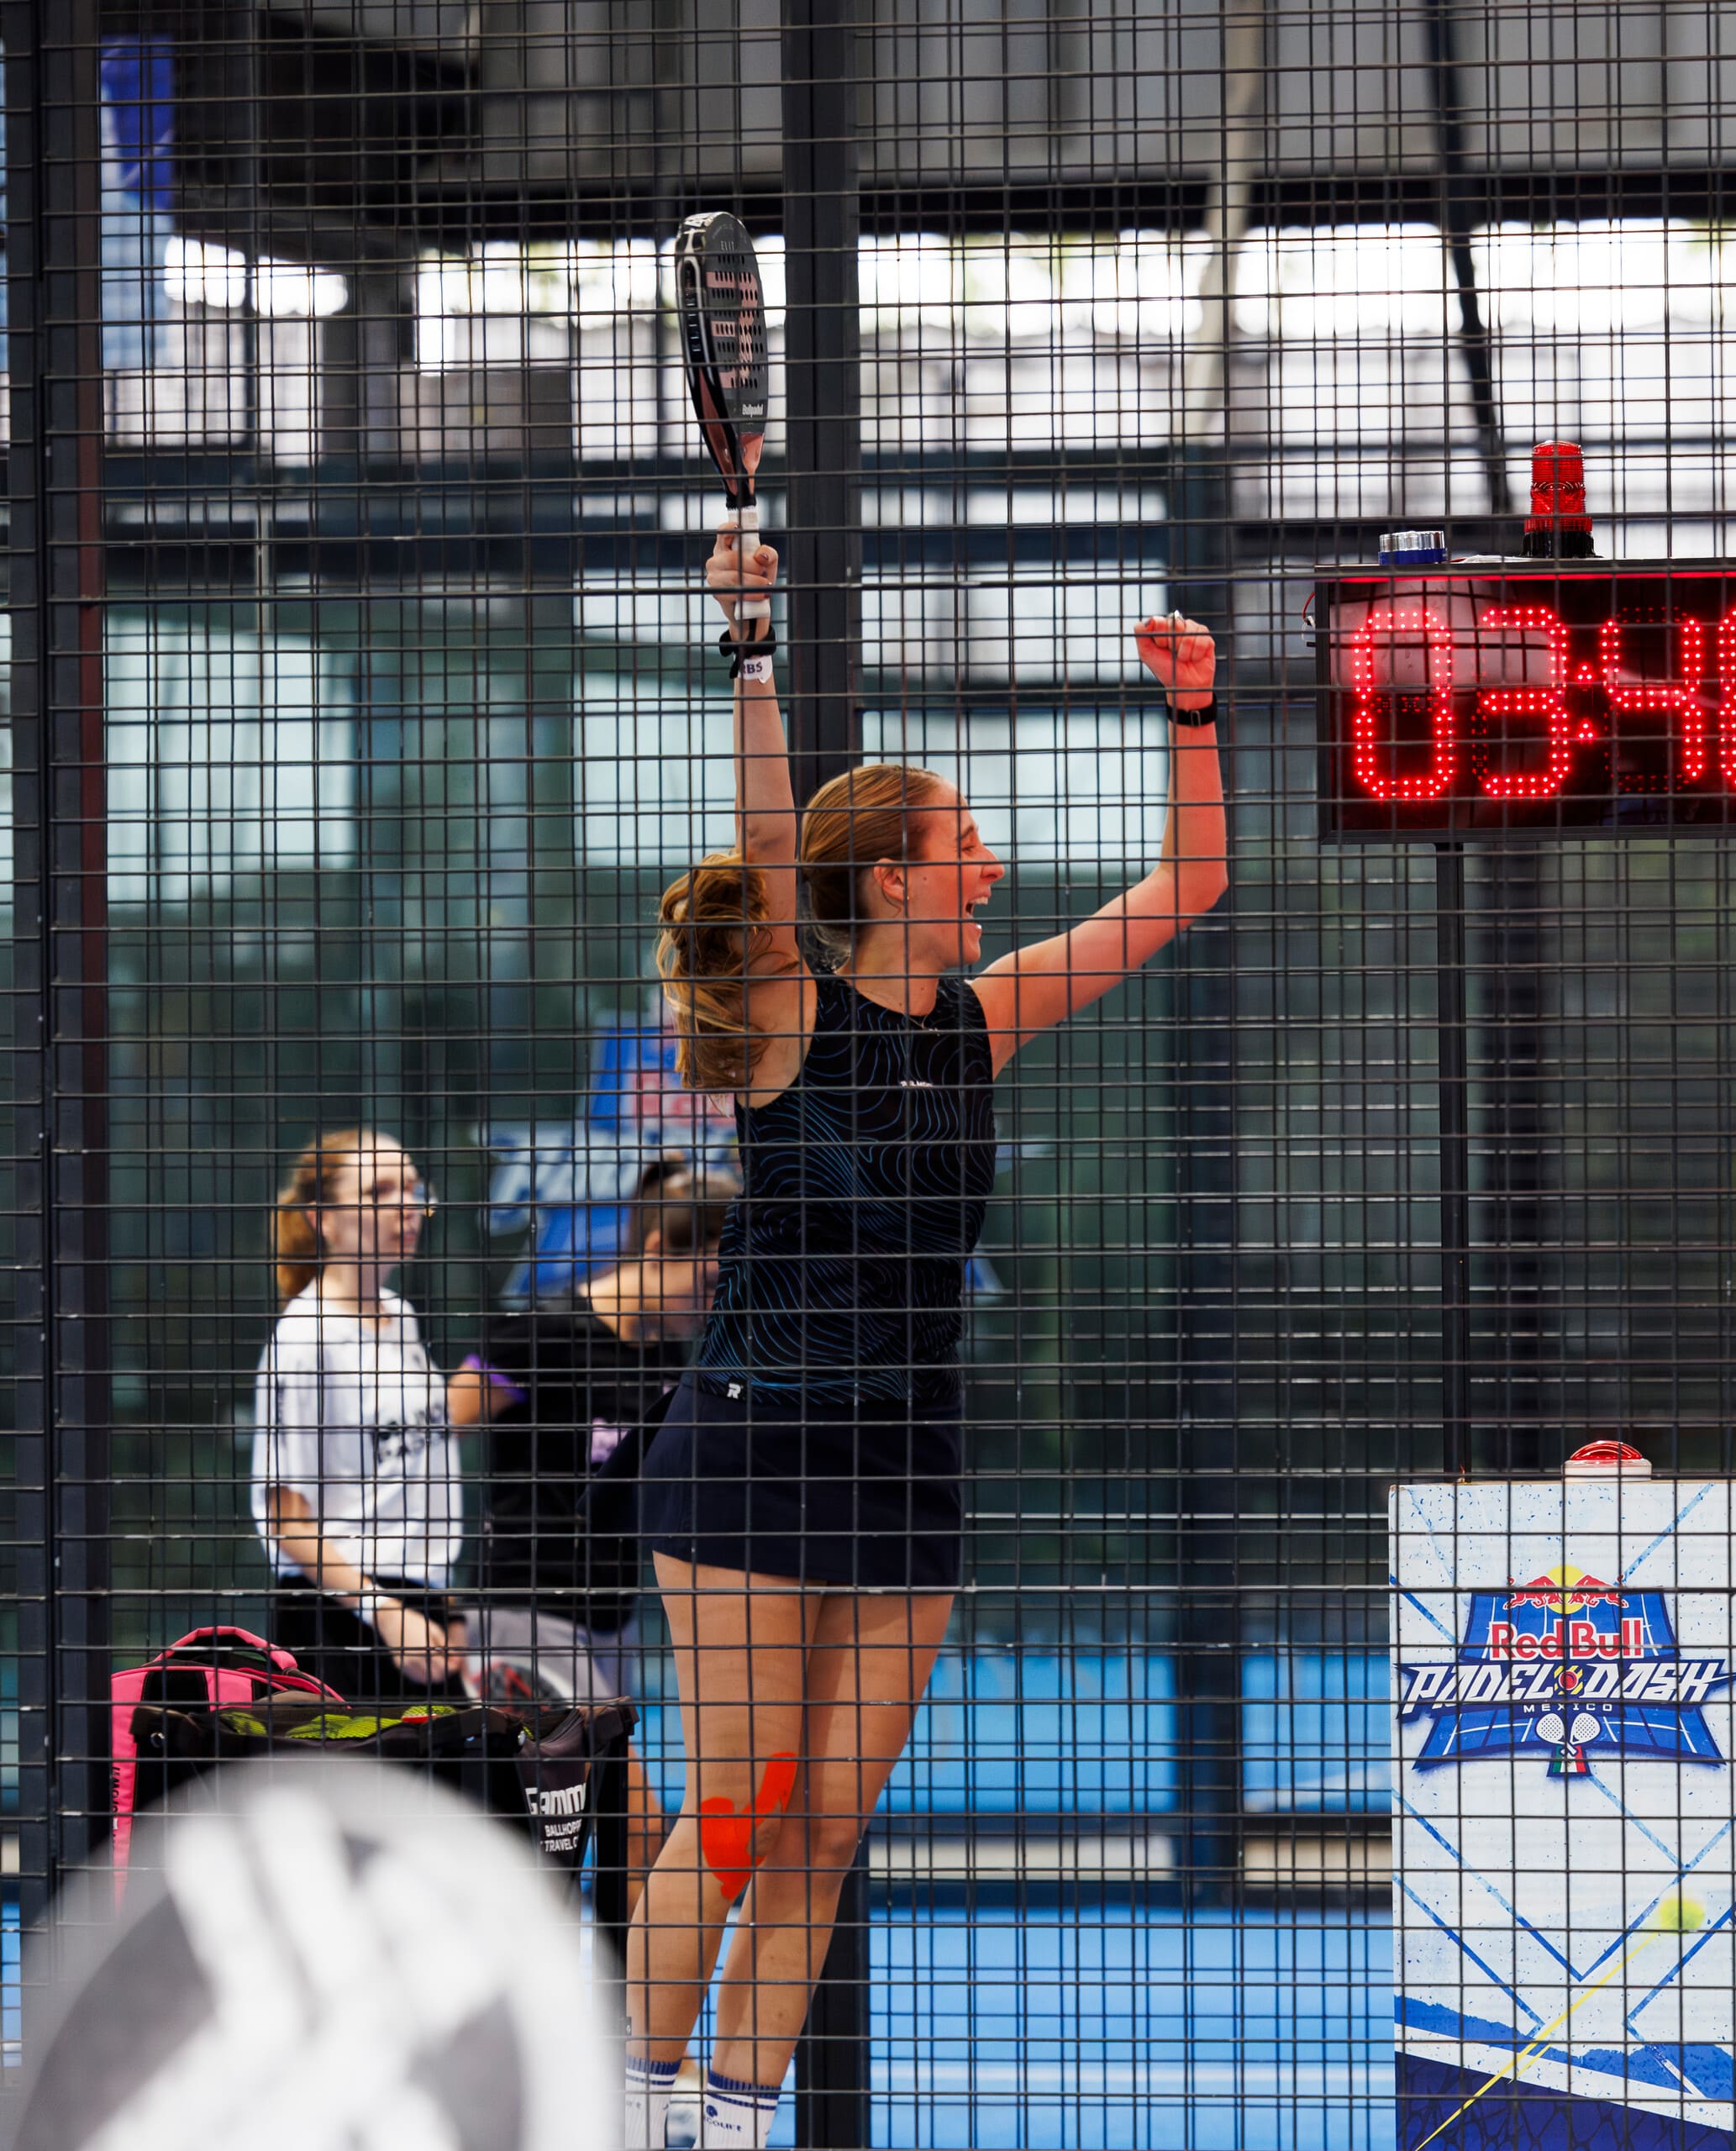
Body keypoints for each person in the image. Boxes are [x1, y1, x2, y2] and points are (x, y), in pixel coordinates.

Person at [618, 506, 1228, 2151]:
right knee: (735, 1808)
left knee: (825, 1825)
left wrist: (1192, 709)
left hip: (906, 1464)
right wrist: (751, 646)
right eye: (968, 843)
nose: (994, 867)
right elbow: (765, 848)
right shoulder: (786, 1017)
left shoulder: (988, 1016)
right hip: (749, 1450)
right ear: (892, 876)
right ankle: (628, 2109)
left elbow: (1190, 883)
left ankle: (731, 2120)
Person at [450, 1154, 740, 1898]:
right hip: (525, 1613)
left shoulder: (673, 1357)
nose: (718, 1303)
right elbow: (435, 1430)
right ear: (658, 1250)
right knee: (633, 1823)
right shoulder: (541, 1333)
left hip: (612, 1624)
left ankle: (610, 1977)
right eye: (712, 1281)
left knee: (594, 1835)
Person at [251, 1128, 469, 1704]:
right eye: (379, 1192)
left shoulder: (402, 1317)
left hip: (415, 1612)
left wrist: (446, 1606)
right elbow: (286, 1522)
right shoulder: (305, 1339)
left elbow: (411, 1484)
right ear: (324, 1217)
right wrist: (382, 1611)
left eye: (413, 1188)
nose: (407, 1206)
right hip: (339, 1618)